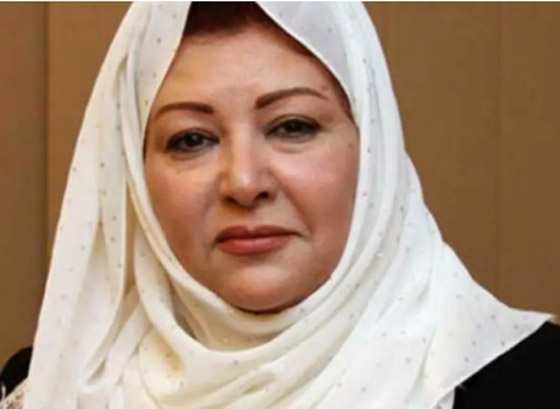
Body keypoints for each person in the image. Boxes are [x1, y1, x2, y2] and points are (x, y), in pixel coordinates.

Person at [1, 2, 558, 408]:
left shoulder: (530, 385)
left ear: (374, 150)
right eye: (192, 139)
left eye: (292, 126)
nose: (244, 183)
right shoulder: (52, 387)